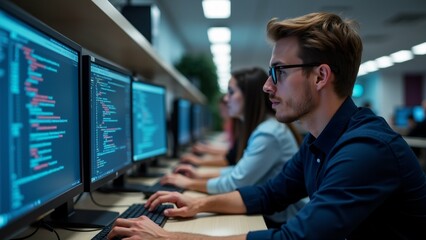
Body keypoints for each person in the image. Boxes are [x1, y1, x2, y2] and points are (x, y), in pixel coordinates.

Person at [108, 12, 426, 239]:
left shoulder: (365, 150)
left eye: (279, 72)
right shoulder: (319, 140)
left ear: (320, 76)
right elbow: (267, 194)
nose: (267, 87)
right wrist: (196, 204)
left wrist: (169, 239)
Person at [162, 67, 305, 226]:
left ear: (248, 97)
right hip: (272, 215)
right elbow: (238, 171)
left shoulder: (268, 133)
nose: (225, 99)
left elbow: (235, 183)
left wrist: (189, 184)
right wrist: (195, 176)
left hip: (282, 221)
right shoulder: (263, 127)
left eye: (231, 92)